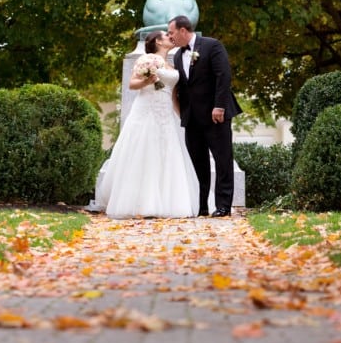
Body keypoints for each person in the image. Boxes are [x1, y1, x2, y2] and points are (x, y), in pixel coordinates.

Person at [93, 30, 199, 219]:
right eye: (166, 35)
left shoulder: (171, 65)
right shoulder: (147, 59)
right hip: (146, 111)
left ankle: (168, 203)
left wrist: (183, 117)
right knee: (144, 152)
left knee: (167, 154)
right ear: (158, 41)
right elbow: (132, 84)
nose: (170, 37)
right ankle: (141, 203)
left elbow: (173, 95)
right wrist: (148, 81)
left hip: (165, 114)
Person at [167, 15, 242, 217]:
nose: (169, 36)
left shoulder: (212, 46)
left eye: (171, 32)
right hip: (192, 118)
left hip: (215, 115)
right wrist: (182, 112)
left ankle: (223, 206)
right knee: (197, 162)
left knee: (222, 159)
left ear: (183, 31)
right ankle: (201, 207)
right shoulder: (176, 56)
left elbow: (223, 75)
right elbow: (183, 87)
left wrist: (220, 106)